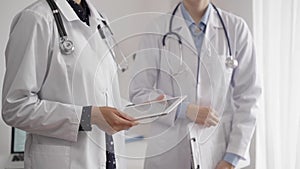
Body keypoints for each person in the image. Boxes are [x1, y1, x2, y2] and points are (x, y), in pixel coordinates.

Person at [2, 0, 138, 168]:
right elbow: (15, 107)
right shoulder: (36, 19)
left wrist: (137, 109)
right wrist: (88, 117)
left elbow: (101, 93)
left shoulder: (100, 21)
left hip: (108, 158)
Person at [129, 0, 261, 169]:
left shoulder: (235, 28)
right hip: (169, 152)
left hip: (217, 153)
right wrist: (182, 109)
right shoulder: (156, 29)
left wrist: (231, 158)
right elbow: (138, 93)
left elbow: (249, 97)